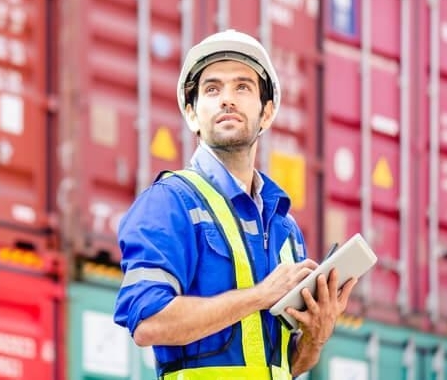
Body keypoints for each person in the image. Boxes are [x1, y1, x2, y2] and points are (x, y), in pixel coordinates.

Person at [113, 29, 357, 379]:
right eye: (212, 89)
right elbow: (148, 322)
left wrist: (315, 339)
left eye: (242, 87)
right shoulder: (169, 203)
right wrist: (260, 295)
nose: (227, 99)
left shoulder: (284, 229)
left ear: (267, 113)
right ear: (192, 115)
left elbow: (282, 366)